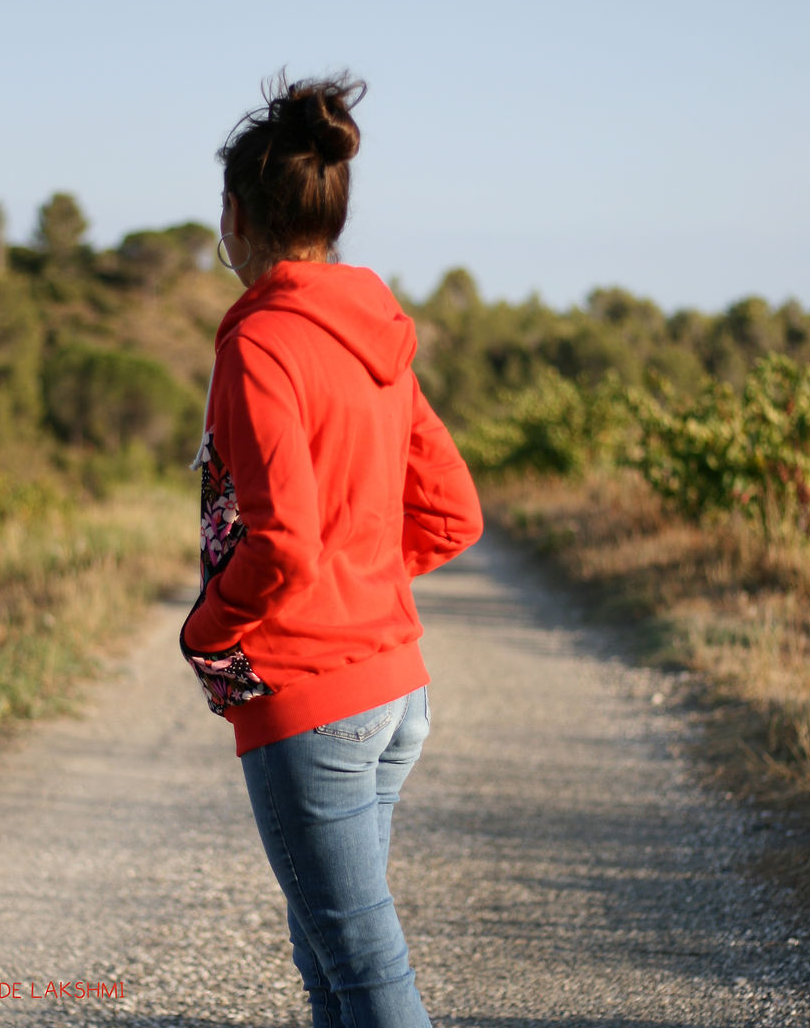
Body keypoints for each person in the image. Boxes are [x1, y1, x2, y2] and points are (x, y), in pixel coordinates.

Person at [180, 72, 483, 1028]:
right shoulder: (376, 335)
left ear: (237, 215)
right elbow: (451, 513)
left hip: (312, 698)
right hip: (396, 690)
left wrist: (207, 628)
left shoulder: (261, 342)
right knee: (329, 955)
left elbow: (280, 542)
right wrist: (360, 580)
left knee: (363, 969)